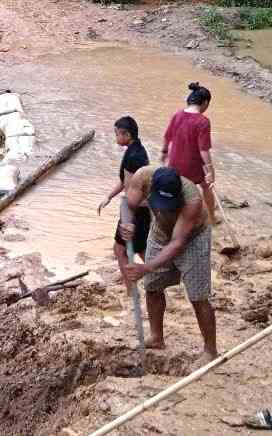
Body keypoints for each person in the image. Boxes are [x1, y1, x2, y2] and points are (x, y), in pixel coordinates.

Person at [120, 166, 217, 362]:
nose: (164, 207)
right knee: (152, 286)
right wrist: (128, 223)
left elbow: (177, 243)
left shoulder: (193, 200)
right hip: (159, 232)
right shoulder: (142, 178)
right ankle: (157, 337)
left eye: (169, 203)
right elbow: (127, 204)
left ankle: (210, 351)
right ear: (151, 188)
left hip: (192, 238)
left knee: (198, 295)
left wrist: (146, 267)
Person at [99, 116, 152, 281]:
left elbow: (130, 189)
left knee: (120, 250)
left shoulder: (132, 157)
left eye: (117, 134)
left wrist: (127, 219)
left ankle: (132, 288)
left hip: (134, 210)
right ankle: (157, 277)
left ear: (127, 135)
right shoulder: (139, 150)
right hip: (142, 210)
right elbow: (127, 182)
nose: (116, 137)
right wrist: (109, 196)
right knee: (141, 250)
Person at [162, 82, 218, 221]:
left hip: (174, 164)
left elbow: (167, 137)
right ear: (205, 103)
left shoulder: (177, 115)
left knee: (178, 189)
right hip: (192, 166)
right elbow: (203, 150)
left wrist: (164, 153)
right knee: (206, 186)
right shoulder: (203, 122)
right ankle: (211, 217)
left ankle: (175, 216)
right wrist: (210, 171)